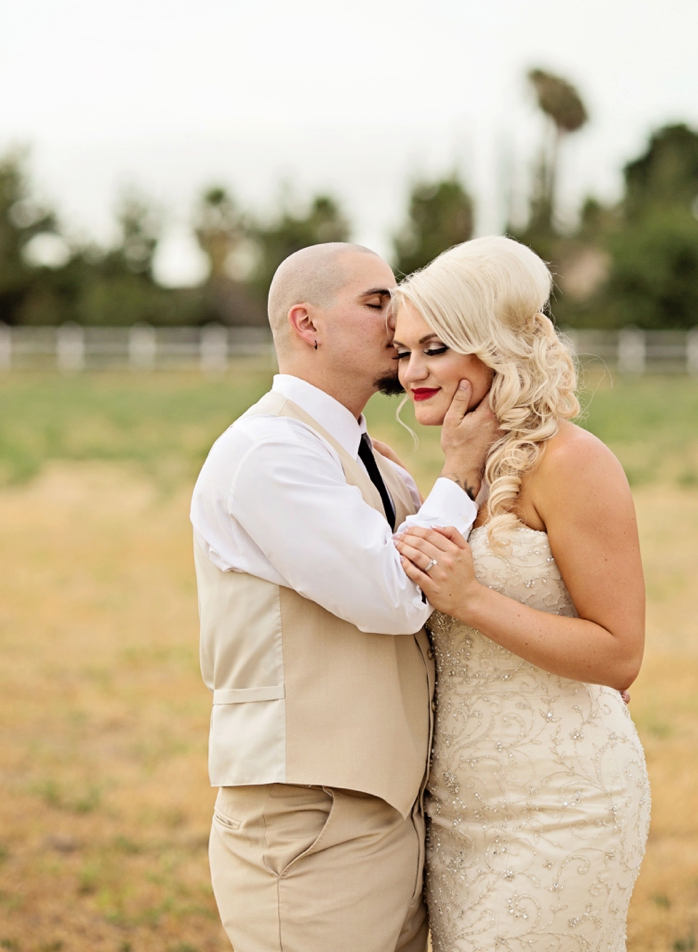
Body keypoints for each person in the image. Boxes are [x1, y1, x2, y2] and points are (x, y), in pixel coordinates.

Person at [190, 241, 498, 952]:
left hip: (385, 814)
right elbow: (395, 595)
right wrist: (457, 470)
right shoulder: (271, 453)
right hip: (310, 824)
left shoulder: (362, 457)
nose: (399, 321)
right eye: (376, 301)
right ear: (307, 324)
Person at [392, 235, 650, 952]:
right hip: (457, 814)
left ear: (491, 346)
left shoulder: (573, 463)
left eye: (435, 348)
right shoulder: (457, 470)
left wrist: (472, 600)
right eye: (403, 350)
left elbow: (620, 652)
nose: (413, 370)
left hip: (560, 809)